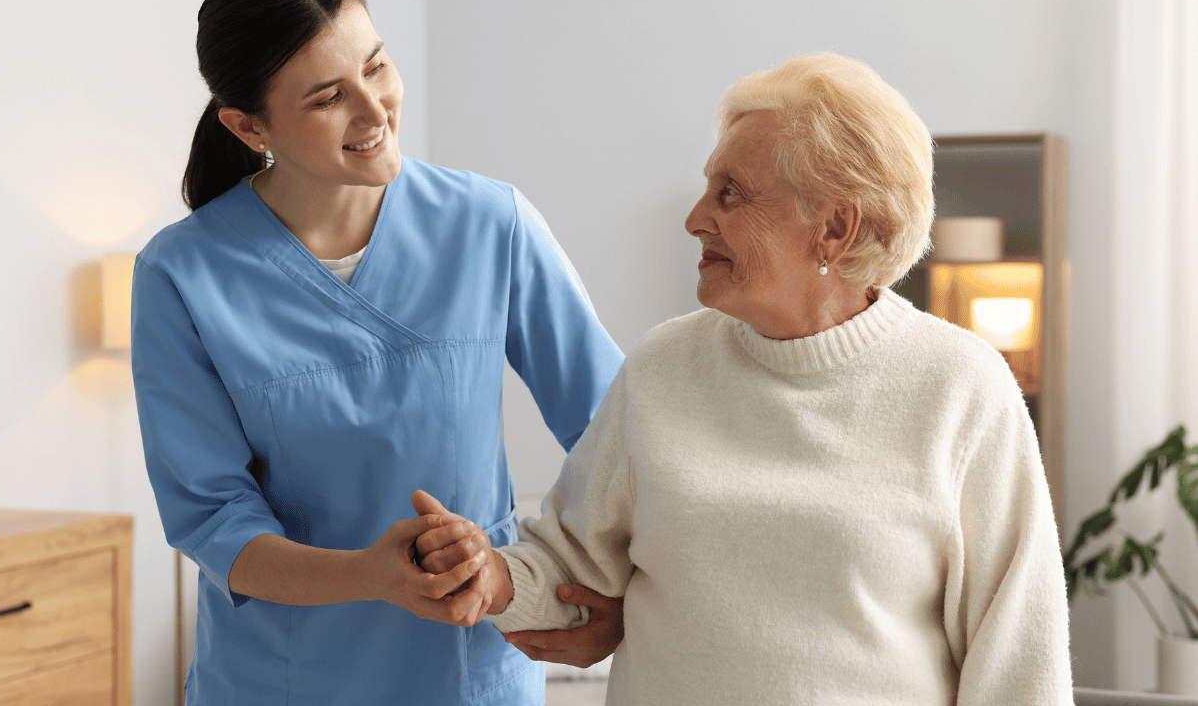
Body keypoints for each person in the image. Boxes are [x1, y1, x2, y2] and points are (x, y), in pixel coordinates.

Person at [414, 53, 1074, 705]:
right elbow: (568, 567)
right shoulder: (662, 367)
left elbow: (1018, 660)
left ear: (835, 227)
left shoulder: (961, 386)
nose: (697, 217)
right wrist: (490, 572)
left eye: (730, 193)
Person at [131, 0, 625, 705]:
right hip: (283, 681)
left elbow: (616, 434)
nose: (375, 111)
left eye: (378, 66)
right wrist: (368, 574)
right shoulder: (182, 274)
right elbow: (213, 520)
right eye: (329, 96)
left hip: (469, 673)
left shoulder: (491, 224)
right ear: (246, 124)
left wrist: (588, 588)